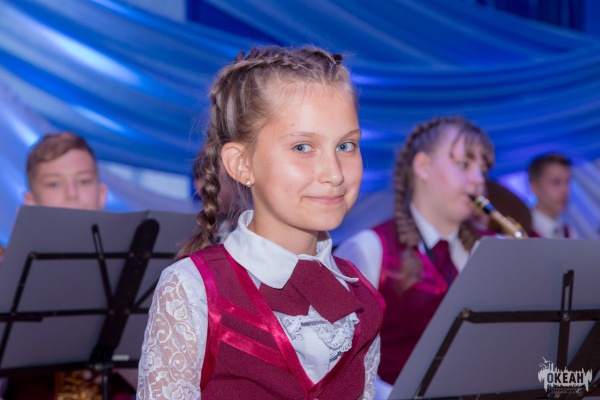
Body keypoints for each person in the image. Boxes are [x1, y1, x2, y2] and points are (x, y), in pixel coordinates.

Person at [137, 45, 385, 400]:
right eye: (303, 147)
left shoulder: (363, 296)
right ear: (242, 164)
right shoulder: (193, 290)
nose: (334, 173)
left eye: (346, 146)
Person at [334, 116, 495, 390]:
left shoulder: (492, 250)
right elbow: (344, 367)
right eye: (465, 165)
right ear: (423, 166)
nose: (479, 180)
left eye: (483, 170)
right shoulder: (368, 248)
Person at [7, 132, 133, 400]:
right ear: (30, 202)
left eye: (83, 181)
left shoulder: (137, 269)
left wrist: (118, 345)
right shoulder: (10, 273)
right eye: (54, 184)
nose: (72, 194)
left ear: (101, 194)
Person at [527, 153, 573, 238]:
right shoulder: (522, 233)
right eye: (556, 182)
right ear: (534, 187)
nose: (565, 190)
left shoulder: (568, 233)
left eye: (567, 182)